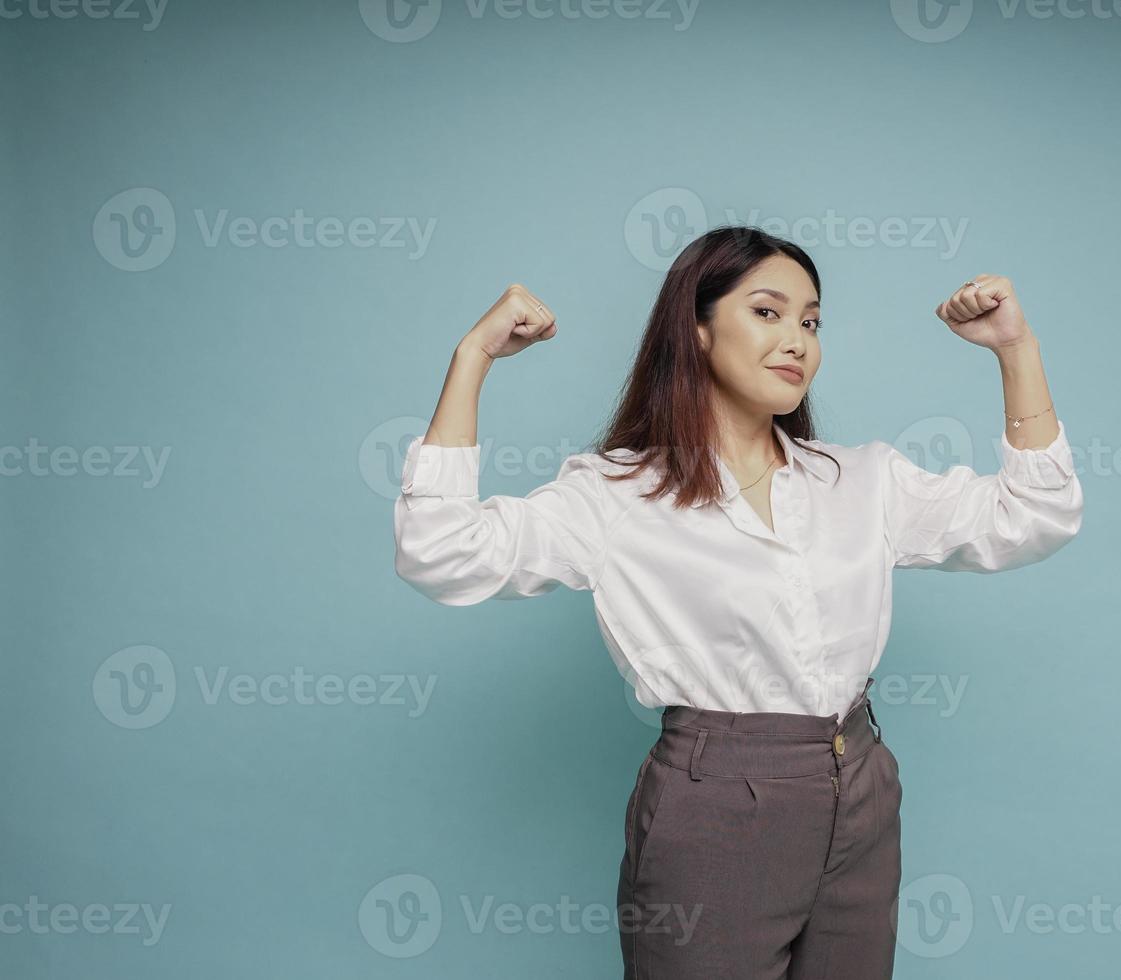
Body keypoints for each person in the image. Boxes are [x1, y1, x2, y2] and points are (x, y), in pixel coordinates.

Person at [392, 226, 1083, 978]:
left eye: (811, 322)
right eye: (767, 312)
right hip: (714, 806)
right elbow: (440, 554)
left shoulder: (863, 480)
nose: (797, 341)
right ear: (696, 329)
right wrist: (473, 360)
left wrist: (1017, 351)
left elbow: (1034, 517)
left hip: (860, 789)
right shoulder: (618, 493)